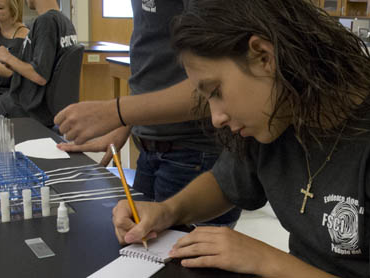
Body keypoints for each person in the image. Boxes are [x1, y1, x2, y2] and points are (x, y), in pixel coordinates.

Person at [112, 1, 370, 277]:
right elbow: (226, 184)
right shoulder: (284, 114)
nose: (216, 116)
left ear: (263, 57)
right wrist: (167, 211)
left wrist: (267, 260)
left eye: (216, 91)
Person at [53, 0, 240, 226]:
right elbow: (153, 58)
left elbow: (220, 80)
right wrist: (124, 125)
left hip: (195, 153)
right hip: (152, 148)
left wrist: (117, 111)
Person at [0, 0, 77, 127]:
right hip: (40, 108)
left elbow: (40, 75)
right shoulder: (66, 22)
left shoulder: (45, 22)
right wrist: (14, 64)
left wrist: (9, 58)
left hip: (26, 108)